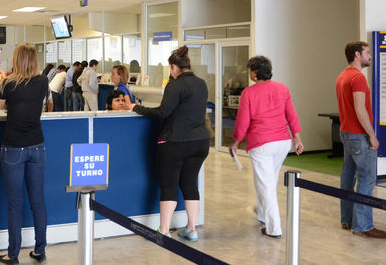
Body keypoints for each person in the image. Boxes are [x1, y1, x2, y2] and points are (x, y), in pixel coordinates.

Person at [128, 45, 209, 241]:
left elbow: (162, 112)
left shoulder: (175, 85)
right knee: (190, 184)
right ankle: (191, 229)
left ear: (173, 67)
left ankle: (163, 231)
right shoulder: (202, 83)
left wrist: (136, 108)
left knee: (168, 186)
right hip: (200, 142)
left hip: (175, 142)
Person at [229, 56, 304, 238]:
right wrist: (297, 139)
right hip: (282, 142)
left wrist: (236, 141)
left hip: (262, 143)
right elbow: (291, 115)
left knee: (266, 184)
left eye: (250, 70)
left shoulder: (248, 93)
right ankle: (263, 214)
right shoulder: (282, 88)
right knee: (267, 180)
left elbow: (242, 121)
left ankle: (273, 228)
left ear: (254, 73)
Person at [0, 44, 49, 265]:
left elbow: (1, 104)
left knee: (15, 204)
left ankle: (12, 254)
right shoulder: (43, 81)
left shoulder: (9, 83)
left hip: (13, 148)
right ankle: (40, 250)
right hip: (37, 146)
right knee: (38, 201)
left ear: (16, 60)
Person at [336, 41, 386, 239]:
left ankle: (347, 220)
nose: (370, 56)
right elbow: (360, 109)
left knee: (348, 176)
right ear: (357, 55)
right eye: (367, 53)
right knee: (367, 177)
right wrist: (372, 135)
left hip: (346, 132)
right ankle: (363, 225)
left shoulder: (343, 75)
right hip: (358, 135)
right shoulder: (357, 78)